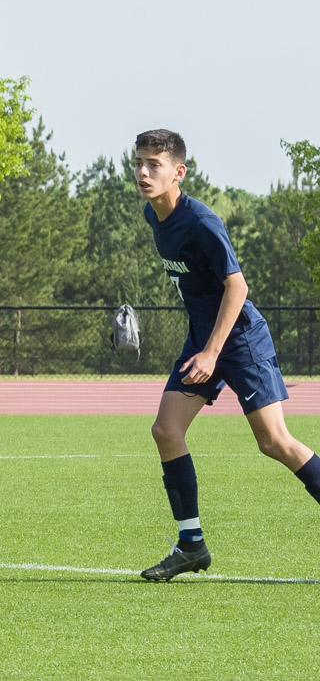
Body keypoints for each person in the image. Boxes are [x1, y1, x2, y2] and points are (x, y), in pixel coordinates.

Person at [134, 129, 320, 580]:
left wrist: (212, 352)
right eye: (138, 162)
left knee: (274, 442)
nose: (142, 172)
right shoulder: (152, 214)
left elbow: (237, 287)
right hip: (204, 339)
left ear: (178, 172)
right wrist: (204, 346)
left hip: (239, 339)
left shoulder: (201, 222)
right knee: (166, 430)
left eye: (153, 164)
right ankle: (191, 544)